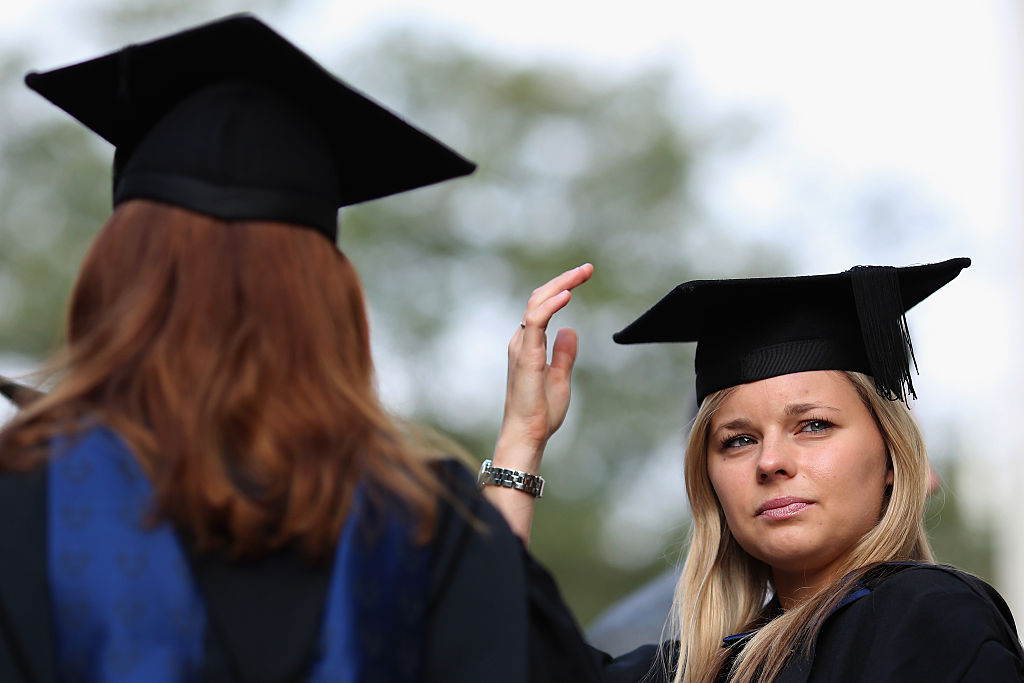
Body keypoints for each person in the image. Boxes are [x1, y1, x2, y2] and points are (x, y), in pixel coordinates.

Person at [0, 15, 601, 682]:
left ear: (111, 280)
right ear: (329, 299)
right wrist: (516, 448)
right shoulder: (433, 532)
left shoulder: (24, 506)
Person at [491, 258, 1024, 681]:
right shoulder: (704, 668)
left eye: (813, 425)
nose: (770, 462)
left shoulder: (926, 617)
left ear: (891, 455)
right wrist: (523, 437)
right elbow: (490, 658)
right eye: (738, 440)